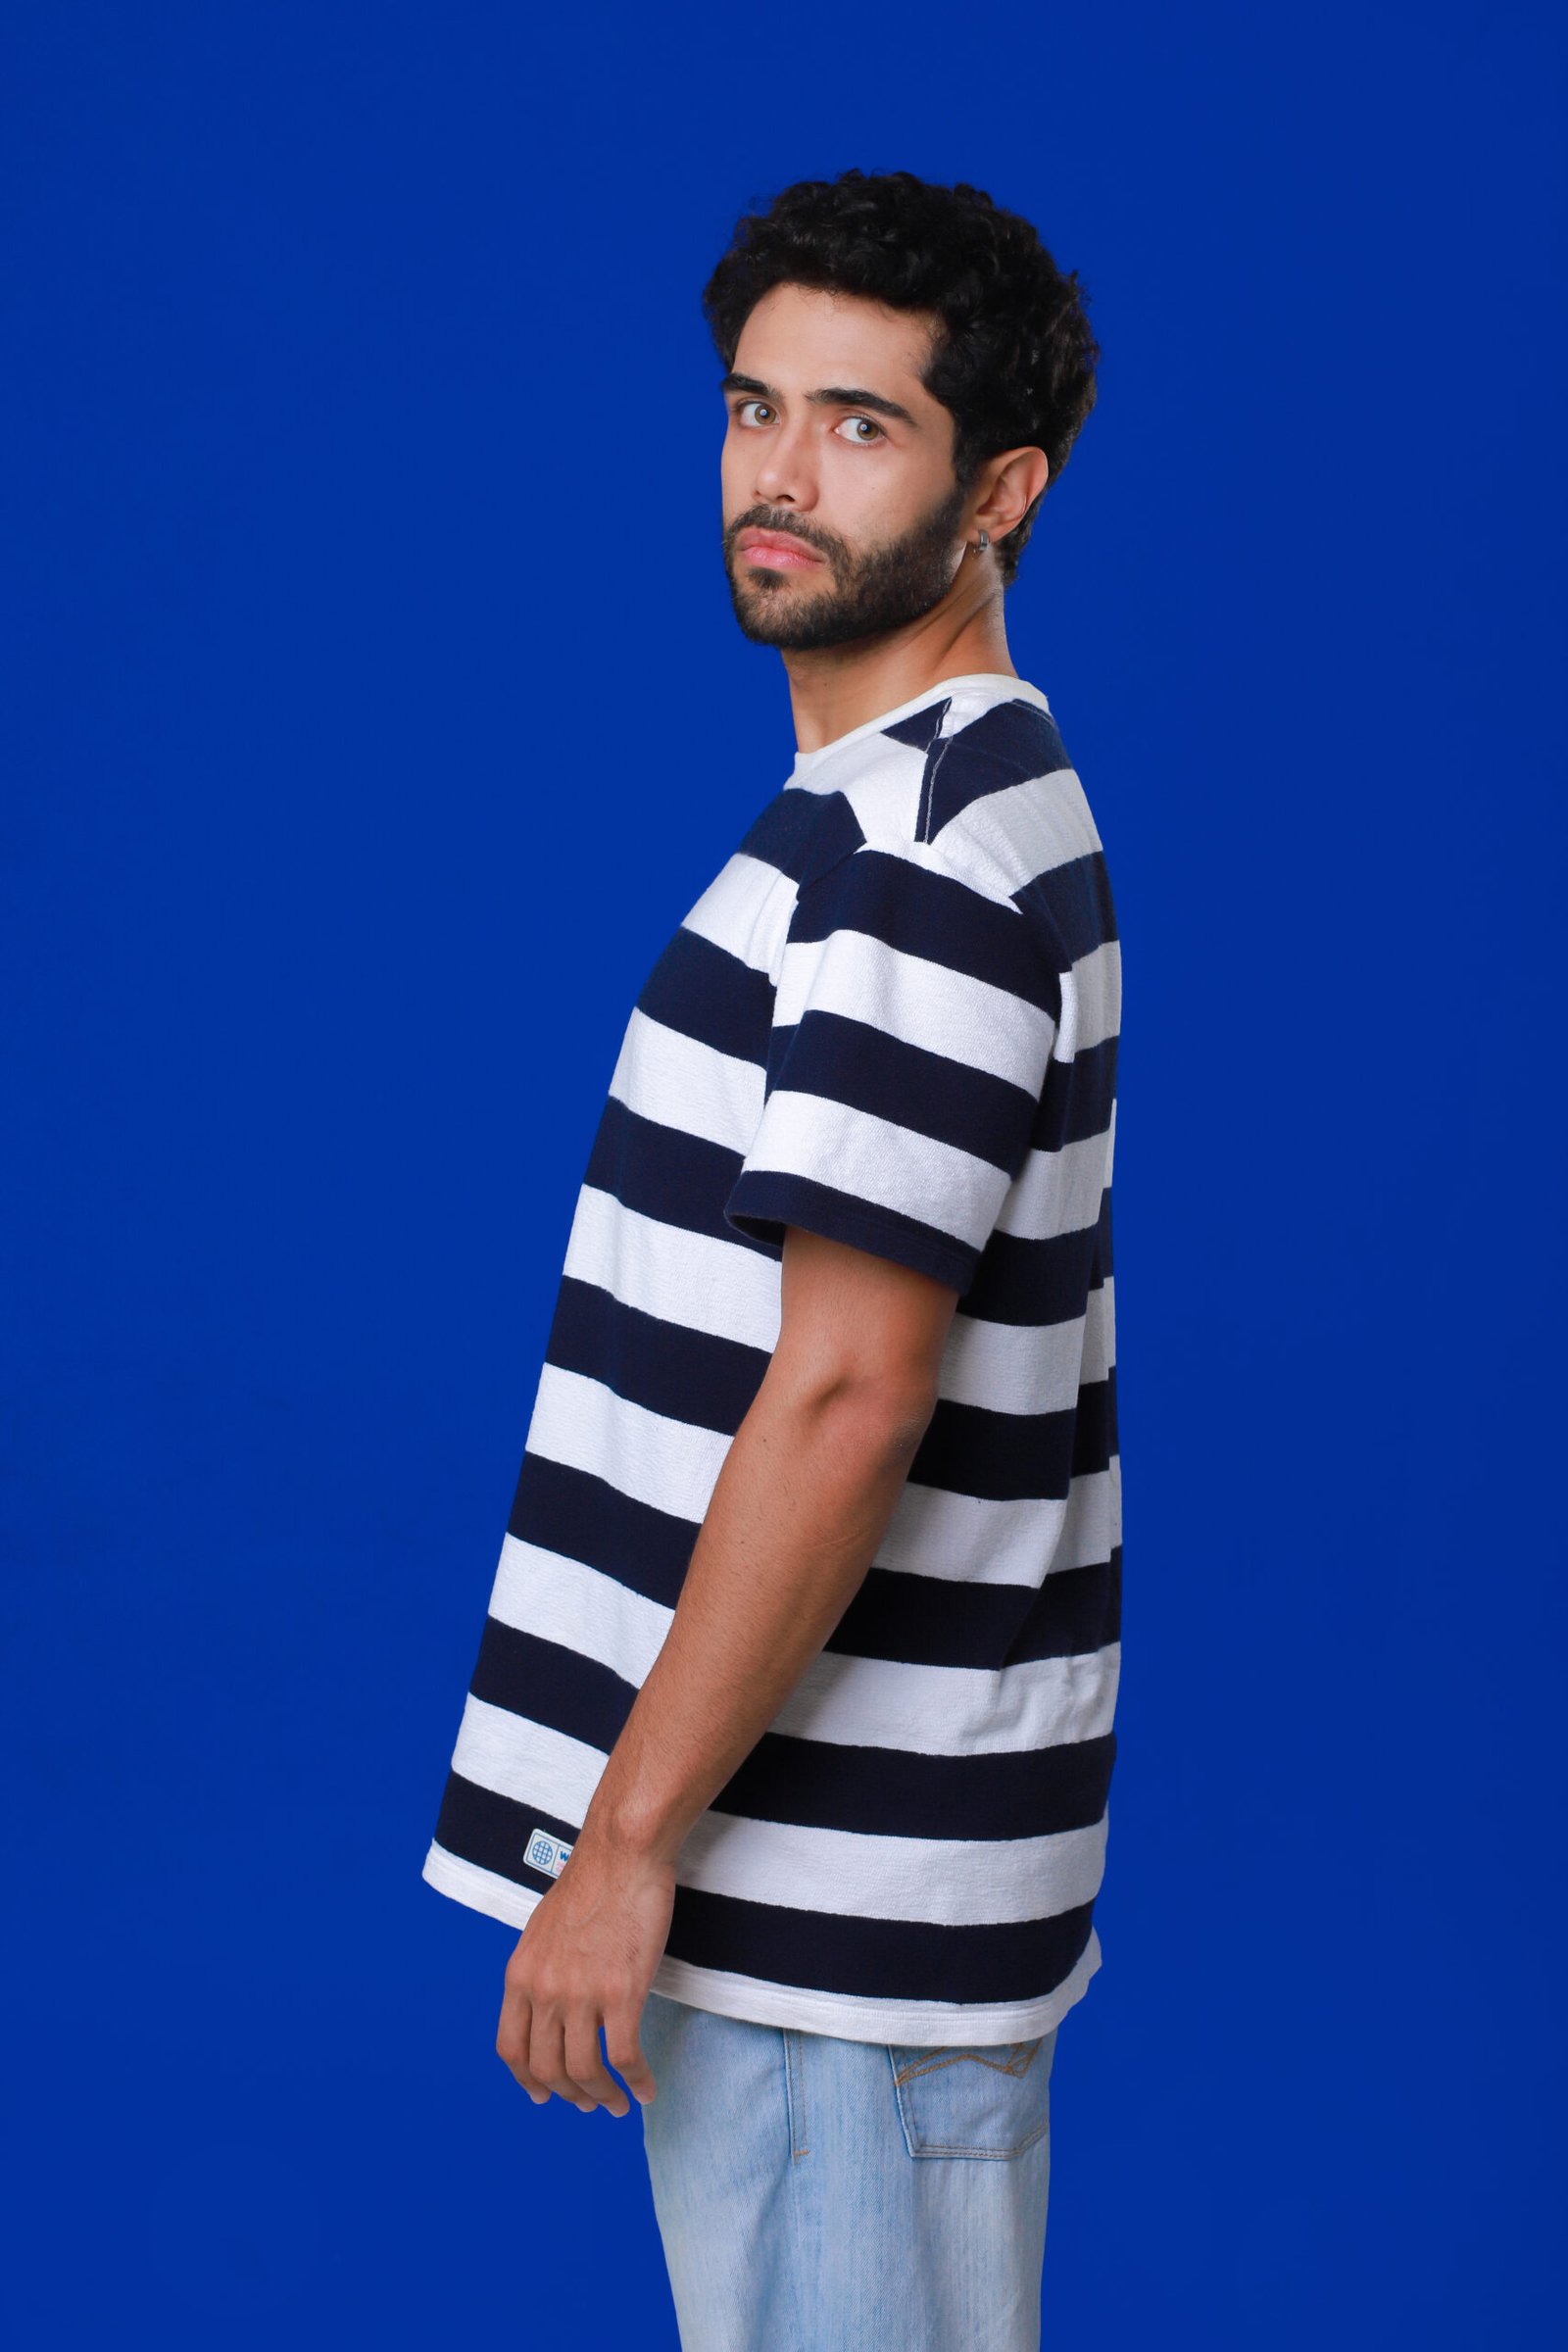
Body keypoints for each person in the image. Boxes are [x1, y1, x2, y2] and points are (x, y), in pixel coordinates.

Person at [421, 166, 1120, 2352]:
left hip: (824, 1911)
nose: (778, 474)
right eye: (753, 408)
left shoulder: (917, 852)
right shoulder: (912, 807)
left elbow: (847, 1390)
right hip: (839, 1898)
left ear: (998, 491)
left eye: (859, 422)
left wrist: (622, 1844)